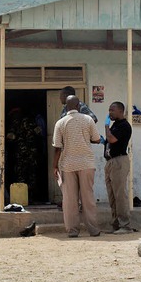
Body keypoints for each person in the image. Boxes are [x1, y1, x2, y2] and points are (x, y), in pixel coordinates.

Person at [52, 95, 102, 238]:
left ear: (66, 107)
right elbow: (97, 139)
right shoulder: (88, 120)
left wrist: (54, 166)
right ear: (79, 106)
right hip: (87, 163)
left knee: (69, 200)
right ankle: (93, 230)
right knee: (88, 197)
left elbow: (57, 148)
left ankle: (73, 230)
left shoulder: (60, 123)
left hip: (68, 165)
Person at [104, 101, 134, 234]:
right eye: (109, 110)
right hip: (111, 162)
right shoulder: (116, 125)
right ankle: (115, 224)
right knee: (112, 195)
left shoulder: (124, 126)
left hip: (119, 162)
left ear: (120, 111)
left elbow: (111, 139)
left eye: (112, 110)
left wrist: (106, 126)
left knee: (120, 195)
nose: (110, 112)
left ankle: (125, 225)